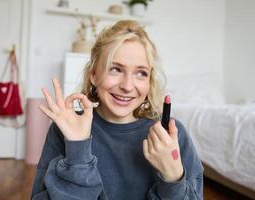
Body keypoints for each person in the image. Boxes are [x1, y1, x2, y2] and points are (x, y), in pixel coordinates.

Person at [31, 20, 203, 200]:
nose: (127, 86)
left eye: (141, 73)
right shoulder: (66, 129)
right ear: (94, 75)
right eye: (115, 69)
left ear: (149, 81)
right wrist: (78, 151)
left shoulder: (172, 136)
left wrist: (173, 178)